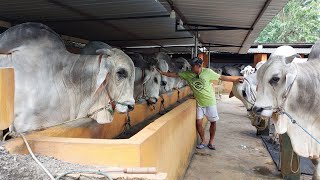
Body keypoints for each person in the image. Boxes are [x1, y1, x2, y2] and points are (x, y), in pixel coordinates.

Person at [157, 57, 243, 150]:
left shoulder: (208, 72)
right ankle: (203, 141)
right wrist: (162, 73)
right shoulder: (188, 74)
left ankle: (211, 142)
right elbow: (175, 74)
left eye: (193, 66)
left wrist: (236, 79)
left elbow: (222, 77)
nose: (191, 68)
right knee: (198, 123)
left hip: (210, 102)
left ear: (199, 66)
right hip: (199, 103)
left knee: (213, 122)